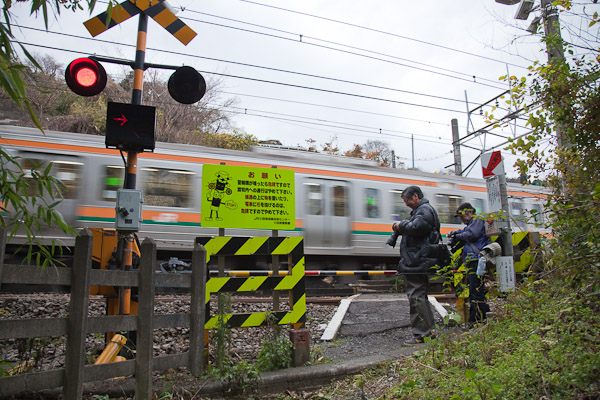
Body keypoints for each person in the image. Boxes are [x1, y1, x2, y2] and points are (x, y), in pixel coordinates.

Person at [388, 185, 440, 345]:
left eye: (407, 200)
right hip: (418, 259)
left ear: (416, 196)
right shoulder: (422, 210)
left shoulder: (424, 211)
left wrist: (400, 225)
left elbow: (416, 228)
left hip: (417, 260)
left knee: (416, 296)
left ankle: (421, 335)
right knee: (420, 296)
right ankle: (429, 331)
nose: (406, 204)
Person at [447, 202, 491, 325]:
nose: (461, 219)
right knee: (476, 291)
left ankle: (475, 320)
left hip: (476, 259)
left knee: (475, 291)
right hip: (474, 260)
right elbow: (466, 232)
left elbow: (472, 234)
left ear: (470, 212)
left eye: (462, 216)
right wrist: (456, 233)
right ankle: (483, 318)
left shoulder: (477, 220)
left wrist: (457, 236)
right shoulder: (472, 223)